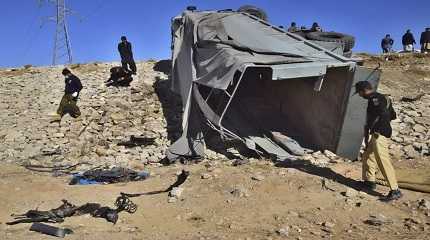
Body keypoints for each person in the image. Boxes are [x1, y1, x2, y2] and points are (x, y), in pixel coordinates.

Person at [354, 81, 402, 202]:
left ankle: (395, 190)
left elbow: (384, 113)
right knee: (367, 156)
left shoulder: (375, 99)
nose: (360, 96)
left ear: (364, 90)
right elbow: (393, 115)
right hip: (376, 133)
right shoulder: (383, 97)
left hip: (378, 134)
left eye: (359, 93)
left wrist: (378, 128)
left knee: (382, 161)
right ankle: (370, 182)